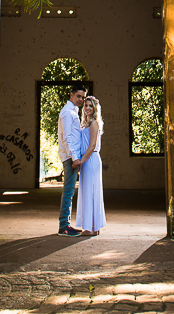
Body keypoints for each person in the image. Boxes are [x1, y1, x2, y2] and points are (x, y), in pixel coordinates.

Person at [73, 95, 106, 236]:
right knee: (88, 192)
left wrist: (81, 161)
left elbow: (92, 145)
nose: (87, 108)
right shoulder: (86, 123)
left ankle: (91, 228)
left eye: (90, 106)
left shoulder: (93, 123)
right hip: (88, 160)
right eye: (86, 105)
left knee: (91, 192)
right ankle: (93, 226)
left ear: (95, 108)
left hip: (91, 159)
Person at [56, 85, 86, 237]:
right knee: (68, 191)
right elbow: (67, 137)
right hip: (70, 158)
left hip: (73, 157)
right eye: (78, 96)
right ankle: (64, 227)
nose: (81, 99)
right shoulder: (68, 113)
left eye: (82, 97)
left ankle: (66, 224)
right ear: (71, 95)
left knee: (70, 191)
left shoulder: (73, 111)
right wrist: (74, 158)